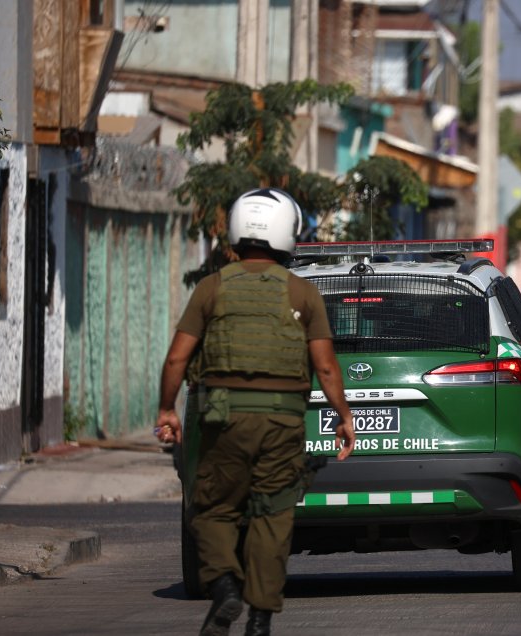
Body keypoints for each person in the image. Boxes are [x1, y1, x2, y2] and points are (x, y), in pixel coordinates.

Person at [155, 187, 355, 636]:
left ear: (237, 231)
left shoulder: (212, 287)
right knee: (273, 514)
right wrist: (344, 417)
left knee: (211, 507)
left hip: (221, 419)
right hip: (283, 421)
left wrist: (167, 409)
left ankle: (225, 587)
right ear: (289, 232)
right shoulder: (303, 294)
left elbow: (176, 359)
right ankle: (260, 618)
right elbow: (325, 365)